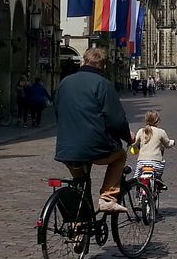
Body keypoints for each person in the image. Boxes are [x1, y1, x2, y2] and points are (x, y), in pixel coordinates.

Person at [54, 48, 134, 213]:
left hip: (66, 148)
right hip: (95, 147)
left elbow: (58, 110)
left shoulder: (65, 82)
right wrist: (128, 137)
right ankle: (108, 197)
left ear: (83, 62)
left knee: (81, 184)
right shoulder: (103, 84)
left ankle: (79, 228)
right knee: (120, 155)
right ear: (103, 67)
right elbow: (116, 120)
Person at [131, 110, 175, 189]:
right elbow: (168, 144)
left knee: (136, 178)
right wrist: (173, 142)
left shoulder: (141, 131)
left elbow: (134, 144)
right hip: (156, 164)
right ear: (157, 121)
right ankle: (158, 180)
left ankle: (137, 187)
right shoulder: (161, 132)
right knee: (160, 169)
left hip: (141, 164)